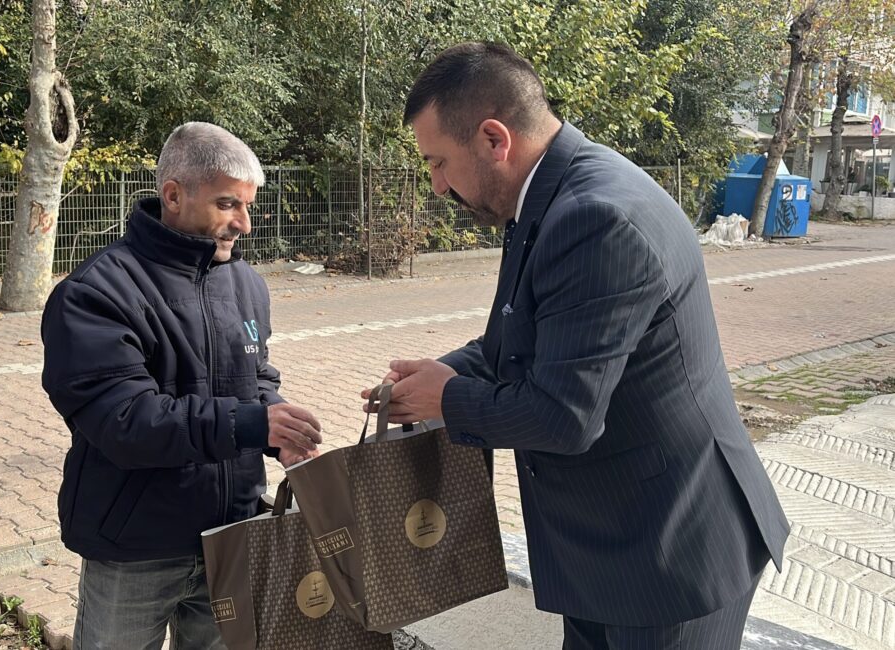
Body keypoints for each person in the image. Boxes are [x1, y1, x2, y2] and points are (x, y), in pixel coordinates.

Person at [369, 42, 789, 649]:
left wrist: (449, 398)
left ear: (493, 139)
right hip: (614, 542)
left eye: (438, 163)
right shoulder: (551, 195)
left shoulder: (594, 217)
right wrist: (434, 375)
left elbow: (564, 417)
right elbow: (522, 340)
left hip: (667, 558)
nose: (437, 186)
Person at [41, 122, 323, 649]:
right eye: (227, 204)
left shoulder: (245, 283)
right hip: (134, 547)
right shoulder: (95, 293)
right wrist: (250, 424)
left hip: (231, 535)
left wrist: (278, 427)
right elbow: (125, 421)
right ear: (173, 195)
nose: (243, 224)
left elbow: (256, 378)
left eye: (247, 206)